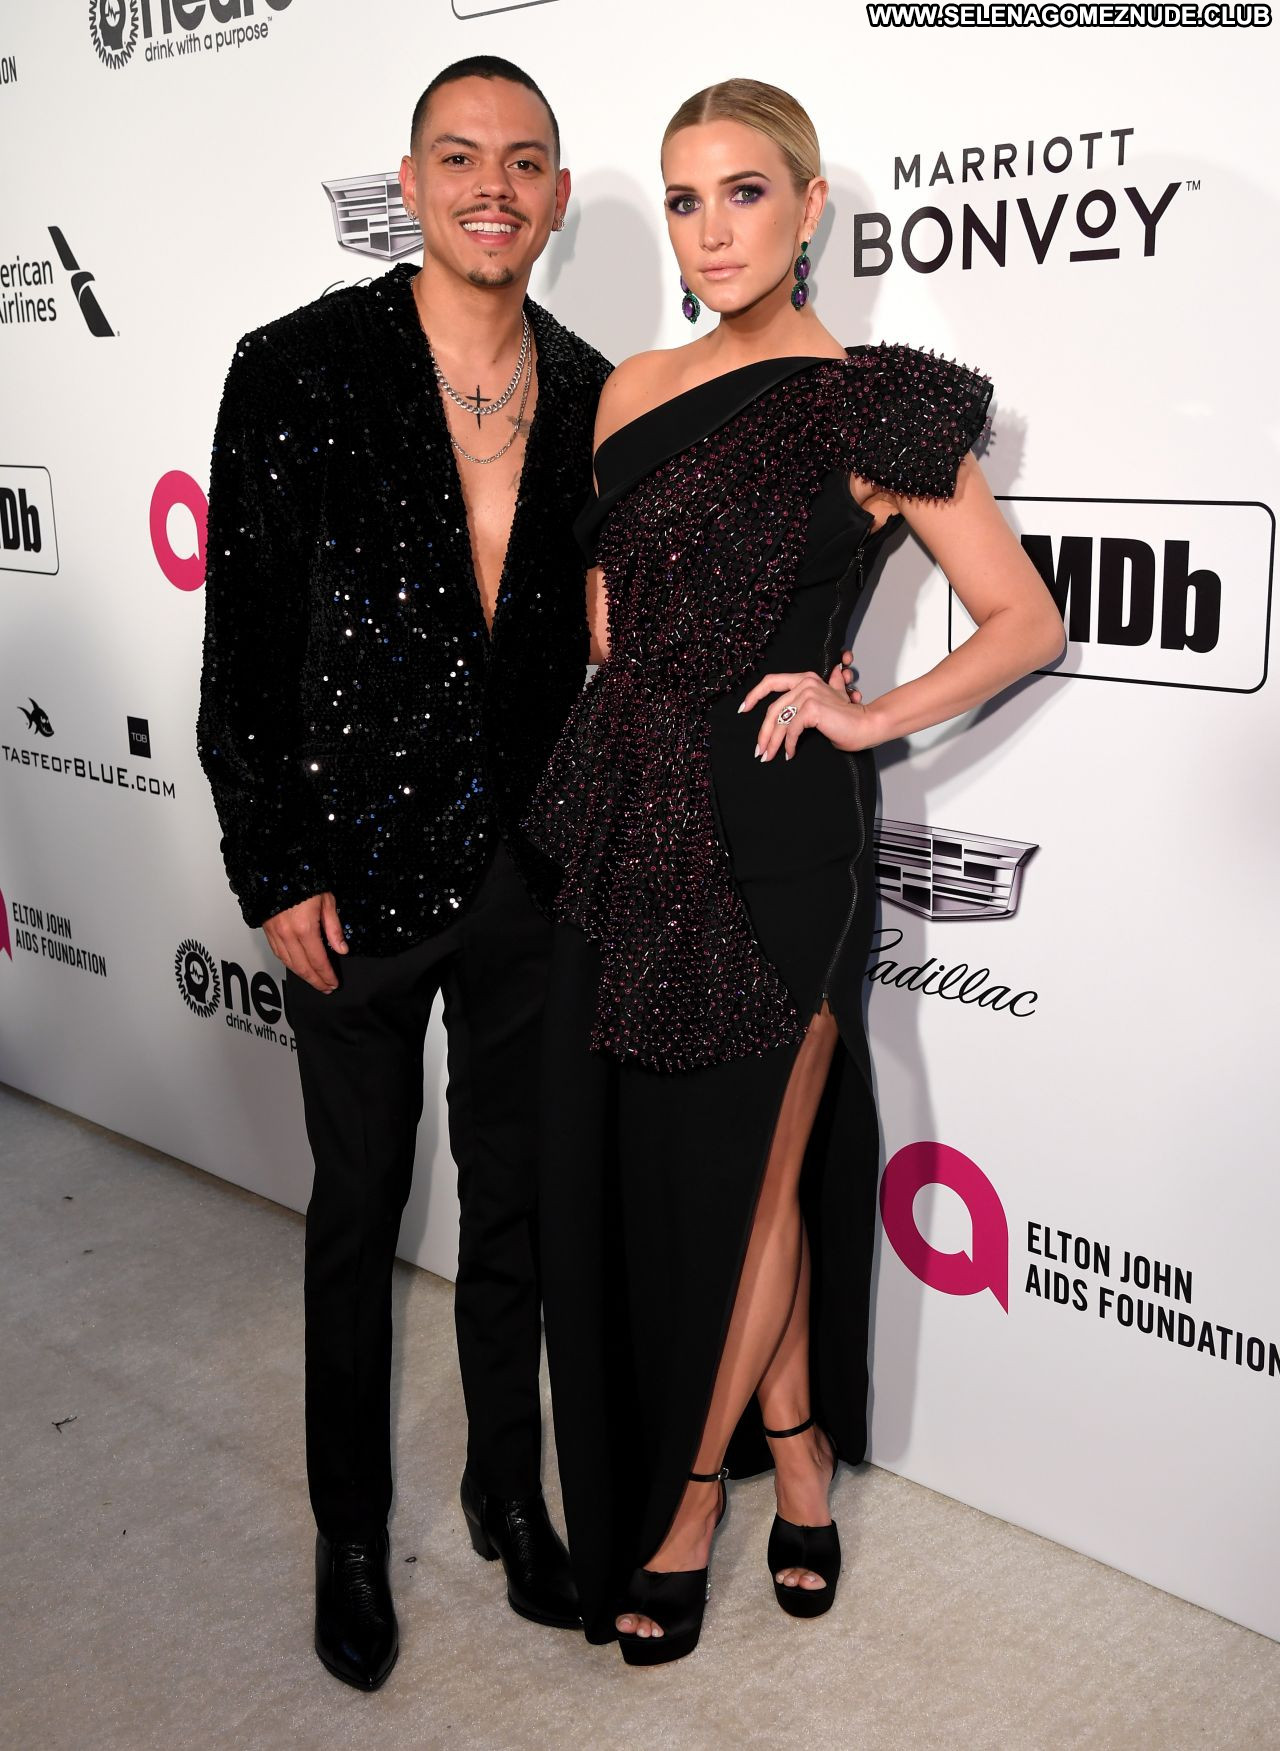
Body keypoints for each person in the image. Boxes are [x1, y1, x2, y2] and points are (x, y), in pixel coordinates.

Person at [523, 78, 1065, 1664]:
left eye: (745, 193)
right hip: (630, 813)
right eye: (685, 201)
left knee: (757, 1171)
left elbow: (1025, 620)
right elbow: (612, 622)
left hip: (777, 834)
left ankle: (693, 1501)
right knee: (716, 1179)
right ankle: (802, 1453)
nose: (711, 233)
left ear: (812, 206)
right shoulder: (631, 389)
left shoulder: (876, 405)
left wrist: (868, 711)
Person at [197, 57, 611, 1691]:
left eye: (523, 160)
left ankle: (507, 1491)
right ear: (412, 180)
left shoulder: (596, 392)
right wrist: (272, 860)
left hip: (529, 876)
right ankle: (352, 1535)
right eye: (460, 156)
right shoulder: (298, 366)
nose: (491, 184)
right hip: (350, 873)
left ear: (556, 195)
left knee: (515, 1201)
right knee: (358, 1209)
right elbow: (245, 638)